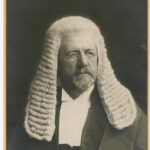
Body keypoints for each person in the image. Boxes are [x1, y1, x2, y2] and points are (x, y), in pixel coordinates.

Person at [9, 16, 146, 150]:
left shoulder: (127, 112)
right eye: (72, 54)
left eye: (90, 53)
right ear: (55, 62)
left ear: (100, 59)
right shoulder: (29, 115)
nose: (83, 62)